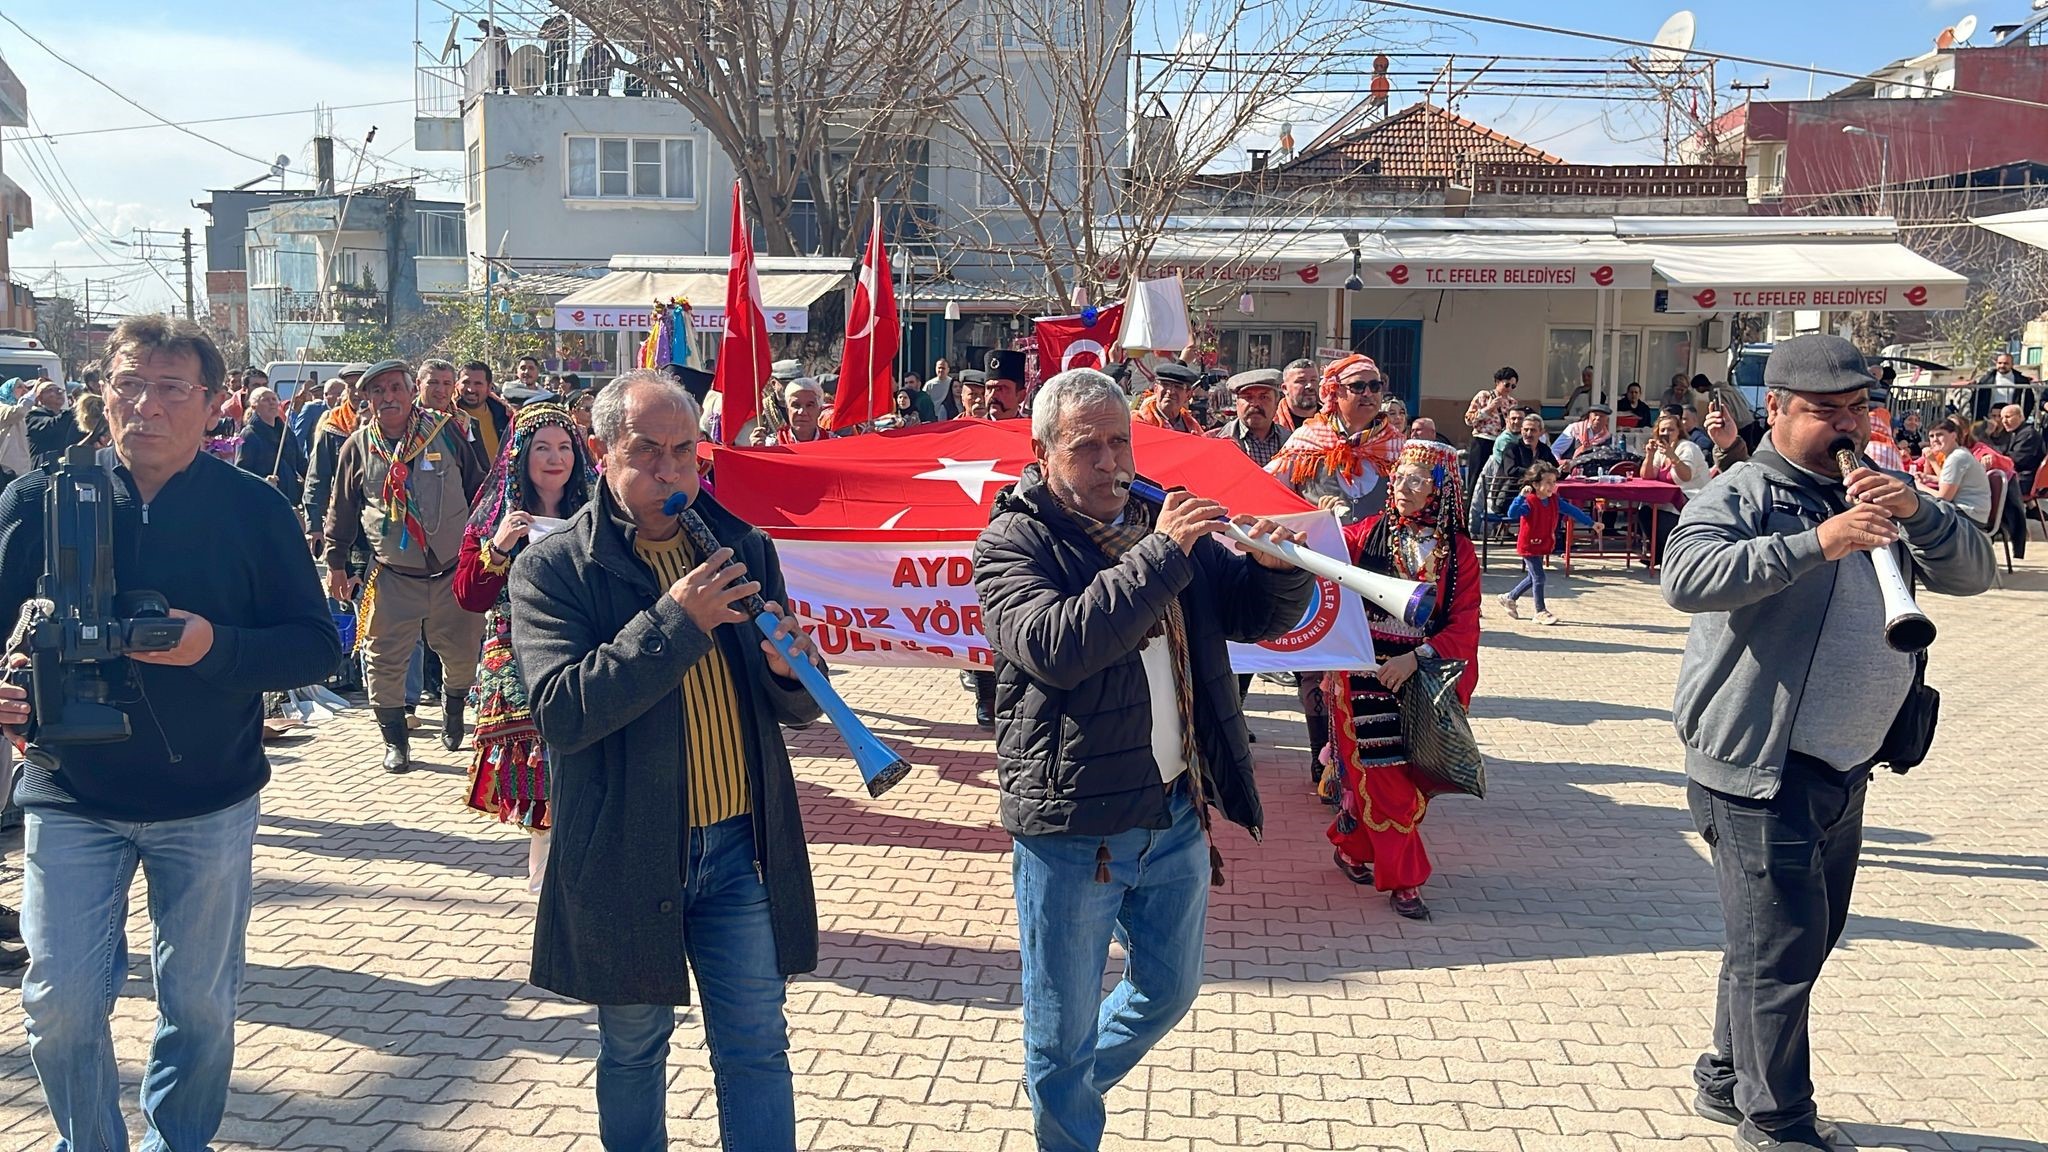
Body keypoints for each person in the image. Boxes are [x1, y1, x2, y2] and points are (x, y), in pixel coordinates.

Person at [0, 315, 342, 1150]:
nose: (145, 405)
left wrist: (212, 646)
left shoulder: (254, 509)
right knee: (59, 1002)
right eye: (128, 384)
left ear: (214, 403)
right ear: (101, 392)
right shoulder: (39, 500)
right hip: (70, 787)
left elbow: (315, 645)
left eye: (170, 388)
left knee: (198, 1006)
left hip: (208, 796)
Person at [1661, 334, 1993, 1152]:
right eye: (1824, 411)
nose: (1846, 425)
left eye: (1858, 409)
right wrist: (1819, 543)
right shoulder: (1745, 490)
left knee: (1786, 939)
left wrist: (1918, 512)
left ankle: (1727, 1076)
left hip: (1845, 764)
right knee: (1780, 953)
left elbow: (1975, 572)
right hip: (1760, 767)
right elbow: (1686, 578)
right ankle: (1778, 1123)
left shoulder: (1880, 487)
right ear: (1775, 408)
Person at [972, 367, 1313, 1152]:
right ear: (1041, 453)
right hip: (1074, 826)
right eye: (1084, 446)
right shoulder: (1011, 542)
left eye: (1119, 442)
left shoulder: (1160, 520)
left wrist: (1277, 572)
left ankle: (1062, 1088)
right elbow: (1059, 647)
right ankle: (1064, 1103)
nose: (1109, 462)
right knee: (1061, 1025)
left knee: (1167, 990)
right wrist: (1162, 553)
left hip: (1174, 810)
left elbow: (1248, 615)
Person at [508, 370, 824, 1151]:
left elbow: (790, 709)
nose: (671, 471)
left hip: (739, 848)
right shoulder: (553, 569)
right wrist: (676, 622)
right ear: (600, 453)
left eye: (685, 452)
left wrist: (795, 673)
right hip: (627, 848)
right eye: (647, 451)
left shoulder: (743, 547)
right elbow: (563, 712)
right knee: (633, 1049)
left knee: (756, 1048)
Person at [1321, 439, 1480, 921]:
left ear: (1440, 489)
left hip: (1422, 674)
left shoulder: (1458, 552)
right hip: (1365, 671)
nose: (1404, 486)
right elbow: (1321, 562)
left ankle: (1350, 844)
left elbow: (1464, 623)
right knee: (1385, 774)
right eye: (1401, 476)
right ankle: (1406, 879)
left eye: (1417, 478)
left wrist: (1417, 658)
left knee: (1407, 776)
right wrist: (1319, 524)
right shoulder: (1367, 533)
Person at [453, 404, 595, 894]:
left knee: (586, 762)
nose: (556, 459)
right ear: (520, 456)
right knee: (543, 773)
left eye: (565, 447)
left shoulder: (597, 512)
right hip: (519, 657)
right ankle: (549, 887)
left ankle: (578, 880)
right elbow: (468, 596)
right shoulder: (496, 516)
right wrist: (498, 547)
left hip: (585, 650)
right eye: (543, 448)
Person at [323, 360, 490, 771]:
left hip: (452, 572)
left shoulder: (446, 431)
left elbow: (480, 489)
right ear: (366, 398)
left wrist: (486, 548)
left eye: (395, 388)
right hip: (392, 576)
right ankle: (395, 742)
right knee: (383, 660)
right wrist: (336, 563)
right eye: (378, 391)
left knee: (463, 655)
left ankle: (454, 710)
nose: (388, 397)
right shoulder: (357, 447)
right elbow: (342, 509)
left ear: (410, 391)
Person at [1266, 353, 1401, 786]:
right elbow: (1268, 494)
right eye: (1357, 386)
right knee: (1317, 670)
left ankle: (1369, 763)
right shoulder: (1306, 441)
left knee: (1372, 669)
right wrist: (1307, 511)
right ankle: (1323, 765)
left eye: (1375, 386)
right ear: (1333, 393)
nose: (1368, 394)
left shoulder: (1396, 446)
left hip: (1378, 579)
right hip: (1320, 578)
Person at [1499, 462, 1592, 624]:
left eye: (1554, 482)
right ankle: (1540, 611)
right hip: (1529, 545)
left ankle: (1510, 597)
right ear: (1536, 484)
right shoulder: (1529, 502)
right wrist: (1520, 497)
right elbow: (1512, 513)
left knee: (1533, 577)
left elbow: (1572, 511)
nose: (1552, 486)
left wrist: (1591, 523)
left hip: (1543, 543)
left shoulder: (1555, 501)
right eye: (1548, 482)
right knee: (1539, 577)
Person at [302, 363, 369, 558]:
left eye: (361, 386)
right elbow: (317, 477)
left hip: (384, 522)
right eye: (351, 386)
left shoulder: (390, 421)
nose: (356, 393)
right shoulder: (334, 425)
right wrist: (314, 524)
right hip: (344, 520)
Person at [234, 385, 308, 501]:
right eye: (265, 400)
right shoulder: (249, 435)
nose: (272, 403)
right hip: (264, 499)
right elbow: (242, 472)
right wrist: (263, 482)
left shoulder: (286, 432)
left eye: (274, 399)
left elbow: (302, 464)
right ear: (254, 406)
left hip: (291, 498)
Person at [1915, 417, 1991, 524]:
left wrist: (1918, 486)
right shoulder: (1958, 453)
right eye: (1931, 436)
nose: (1935, 439)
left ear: (1953, 436)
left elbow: (1943, 497)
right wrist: (1929, 478)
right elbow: (1955, 482)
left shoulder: (1956, 458)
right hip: (1970, 512)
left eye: (1940, 435)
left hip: (1968, 515)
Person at [1210, 368, 1288, 467]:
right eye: (1248, 397)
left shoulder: (1292, 443)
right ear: (1237, 403)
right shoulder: (1213, 440)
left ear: (1276, 403)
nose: (1255, 404)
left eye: (1264, 397)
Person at [1463, 366, 1518, 489]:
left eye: (1513, 386)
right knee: (1477, 476)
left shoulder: (1512, 402)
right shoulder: (1484, 396)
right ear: (1498, 382)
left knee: (1497, 477)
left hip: (1502, 442)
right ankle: (1472, 500)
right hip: (1483, 440)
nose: (1509, 389)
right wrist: (1488, 409)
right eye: (1507, 384)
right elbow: (1468, 419)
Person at [458, 359, 514, 465]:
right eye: (466, 382)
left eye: (478, 384)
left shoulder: (504, 414)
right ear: (457, 385)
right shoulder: (450, 418)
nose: (471, 389)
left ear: (489, 387)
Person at [1134, 361, 1204, 433]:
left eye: (1178, 387)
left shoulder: (1193, 427)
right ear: (1155, 389)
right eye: (1165, 384)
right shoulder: (1137, 422)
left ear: (1188, 395)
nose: (1170, 392)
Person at [24, 380, 78, 473]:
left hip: (67, 467)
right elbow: (53, 425)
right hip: (44, 470)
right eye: (50, 390)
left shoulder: (68, 415)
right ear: (40, 398)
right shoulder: (33, 416)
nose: (59, 392)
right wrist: (75, 408)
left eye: (60, 390)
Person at [1987, 403, 2044, 485]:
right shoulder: (2014, 432)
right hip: (2013, 475)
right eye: (2002, 418)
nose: (2004, 421)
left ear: (2020, 416)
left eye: (2008, 417)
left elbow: (2015, 461)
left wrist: (1994, 459)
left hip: (2024, 479)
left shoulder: (2028, 434)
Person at [1972, 351, 2035, 421]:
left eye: (2006, 363)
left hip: (2012, 420)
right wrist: (1980, 416)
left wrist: (2022, 417)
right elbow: (1976, 400)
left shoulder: (2021, 380)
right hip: (1990, 419)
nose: (2002, 366)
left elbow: (2029, 401)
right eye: (1999, 363)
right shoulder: (1986, 379)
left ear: (2012, 364)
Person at [1553, 403, 1614, 470]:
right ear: (1589, 416)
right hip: (1570, 471)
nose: (1598, 418)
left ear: (1607, 420)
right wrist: (1559, 464)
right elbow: (1555, 450)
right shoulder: (1574, 429)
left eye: (1602, 416)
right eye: (1595, 415)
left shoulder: (1608, 437)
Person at [293, 375, 342, 454]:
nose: (341, 398)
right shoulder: (312, 409)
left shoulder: (346, 412)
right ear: (326, 395)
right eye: (338, 394)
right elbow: (298, 439)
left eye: (344, 394)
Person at [985, 350, 1029, 422]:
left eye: (1001, 389)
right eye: (989, 388)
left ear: (1021, 396)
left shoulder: (1030, 428)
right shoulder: (973, 427)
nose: (993, 395)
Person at [1278, 357, 1320, 429]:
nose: (1310, 386)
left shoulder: (1333, 421)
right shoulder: (1270, 423)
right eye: (1301, 381)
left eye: (1313, 380)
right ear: (1285, 388)